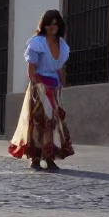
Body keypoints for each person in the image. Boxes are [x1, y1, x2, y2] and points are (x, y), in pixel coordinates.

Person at [9, 9, 75, 171]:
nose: (53, 28)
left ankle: (49, 156)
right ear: (44, 26)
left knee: (53, 123)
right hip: (40, 86)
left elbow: (59, 67)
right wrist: (36, 88)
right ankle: (35, 157)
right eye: (50, 25)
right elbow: (31, 68)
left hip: (54, 86)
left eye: (56, 24)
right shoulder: (37, 42)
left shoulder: (62, 45)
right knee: (40, 122)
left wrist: (62, 81)